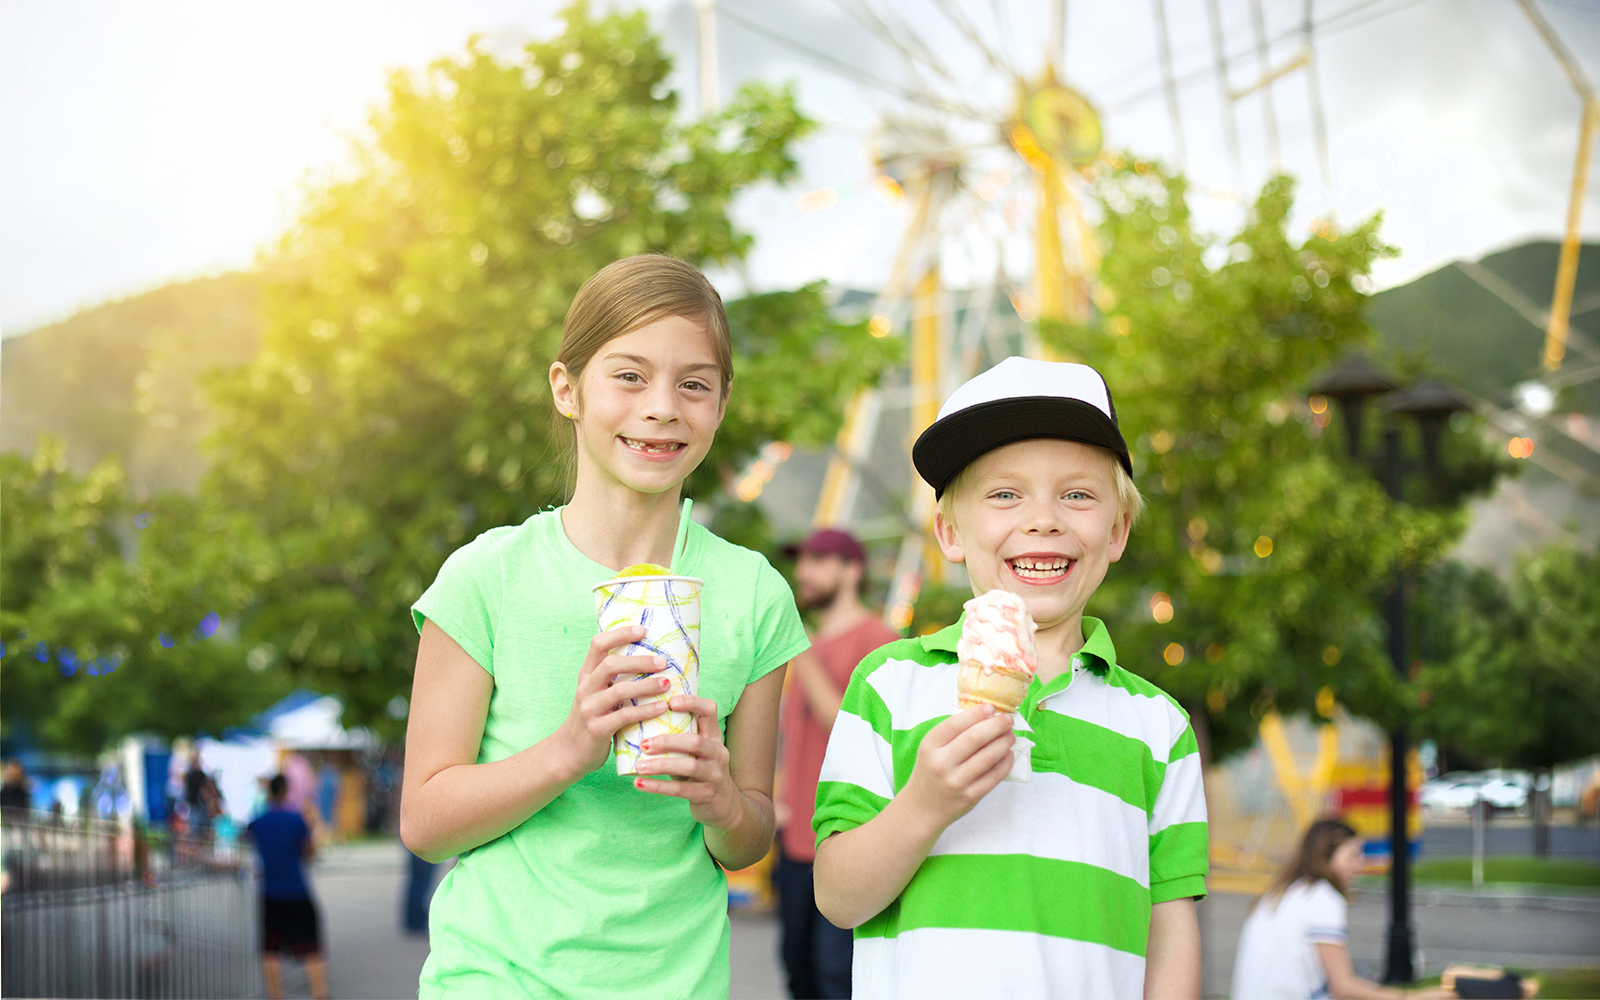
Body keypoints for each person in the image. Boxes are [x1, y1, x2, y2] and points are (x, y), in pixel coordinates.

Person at [401, 254, 809, 998]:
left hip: (677, 982)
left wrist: (722, 800)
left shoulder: (754, 594)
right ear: (568, 389)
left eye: (694, 384)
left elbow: (748, 840)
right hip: (497, 977)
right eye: (629, 375)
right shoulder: (486, 576)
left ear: (720, 405)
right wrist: (570, 749)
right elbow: (426, 823)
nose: (662, 407)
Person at [812, 357, 1209, 999]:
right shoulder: (891, 683)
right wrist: (925, 805)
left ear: (1118, 531)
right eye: (1004, 494)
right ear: (950, 532)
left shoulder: (1158, 725)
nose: (1043, 518)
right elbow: (837, 897)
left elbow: (1170, 933)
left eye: (1077, 494)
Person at [774, 528, 899, 999]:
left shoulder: (879, 640)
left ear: (853, 571)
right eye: (802, 560)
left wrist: (801, 650)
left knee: (837, 976)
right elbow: (794, 738)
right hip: (794, 838)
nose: (804, 572)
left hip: (847, 838)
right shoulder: (810, 644)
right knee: (796, 968)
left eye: (819, 561)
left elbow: (843, 723)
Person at [1232, 819, 1455, 1000]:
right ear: (1326, 855)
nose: (1360, 864)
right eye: (1353, 854)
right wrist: (1410, 997)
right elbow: (1343, 987)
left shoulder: (1281, 893)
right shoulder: (1323, 897)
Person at [247, 774, 329, 1000]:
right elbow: (309, 852)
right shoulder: (295, 820)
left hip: (270, 892)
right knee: (311, 947)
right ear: (285, 791)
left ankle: (275, 995)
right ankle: (320, 993)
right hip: (296, 890)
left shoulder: (259, 821)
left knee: (270, 949)